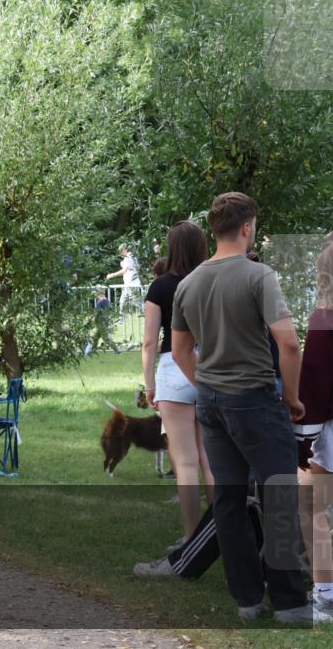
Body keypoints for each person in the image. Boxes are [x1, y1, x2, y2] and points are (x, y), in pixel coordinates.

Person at [171, 192, 328, 624]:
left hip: (211, 403)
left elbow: (181, 351)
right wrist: (293, 397)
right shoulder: (259, 276)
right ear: (247, 228)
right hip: (255, 399)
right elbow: (290, 343)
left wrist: (206, 384)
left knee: (229, 501)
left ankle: (247, 600)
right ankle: (292, 604)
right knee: (279, 496)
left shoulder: (189, 283)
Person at [141, 222, 215, 545]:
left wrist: (148, 385)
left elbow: (148, 342)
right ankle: (224, 534)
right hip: (208, 367)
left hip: (173, 368)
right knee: (211, 461)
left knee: (184, 464)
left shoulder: (160, 287)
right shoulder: (212, 281)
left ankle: (192, 539)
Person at [294, 241, 333, 616]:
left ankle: (326, 592)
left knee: (310, 504)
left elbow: (316, 382)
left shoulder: (325, 319)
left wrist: (303, 441)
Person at [106, 244, 143, 317]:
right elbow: (135, 268)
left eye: (121, 251)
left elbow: (124, 271)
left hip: (131, 283)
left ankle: (147, 314)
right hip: (130, 283)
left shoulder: (128, 257)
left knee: (136, 302)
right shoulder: (132, 257)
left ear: (124, 250)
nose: (120, 254)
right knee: (123, 301)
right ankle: (121, 318)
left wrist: (111, 275)